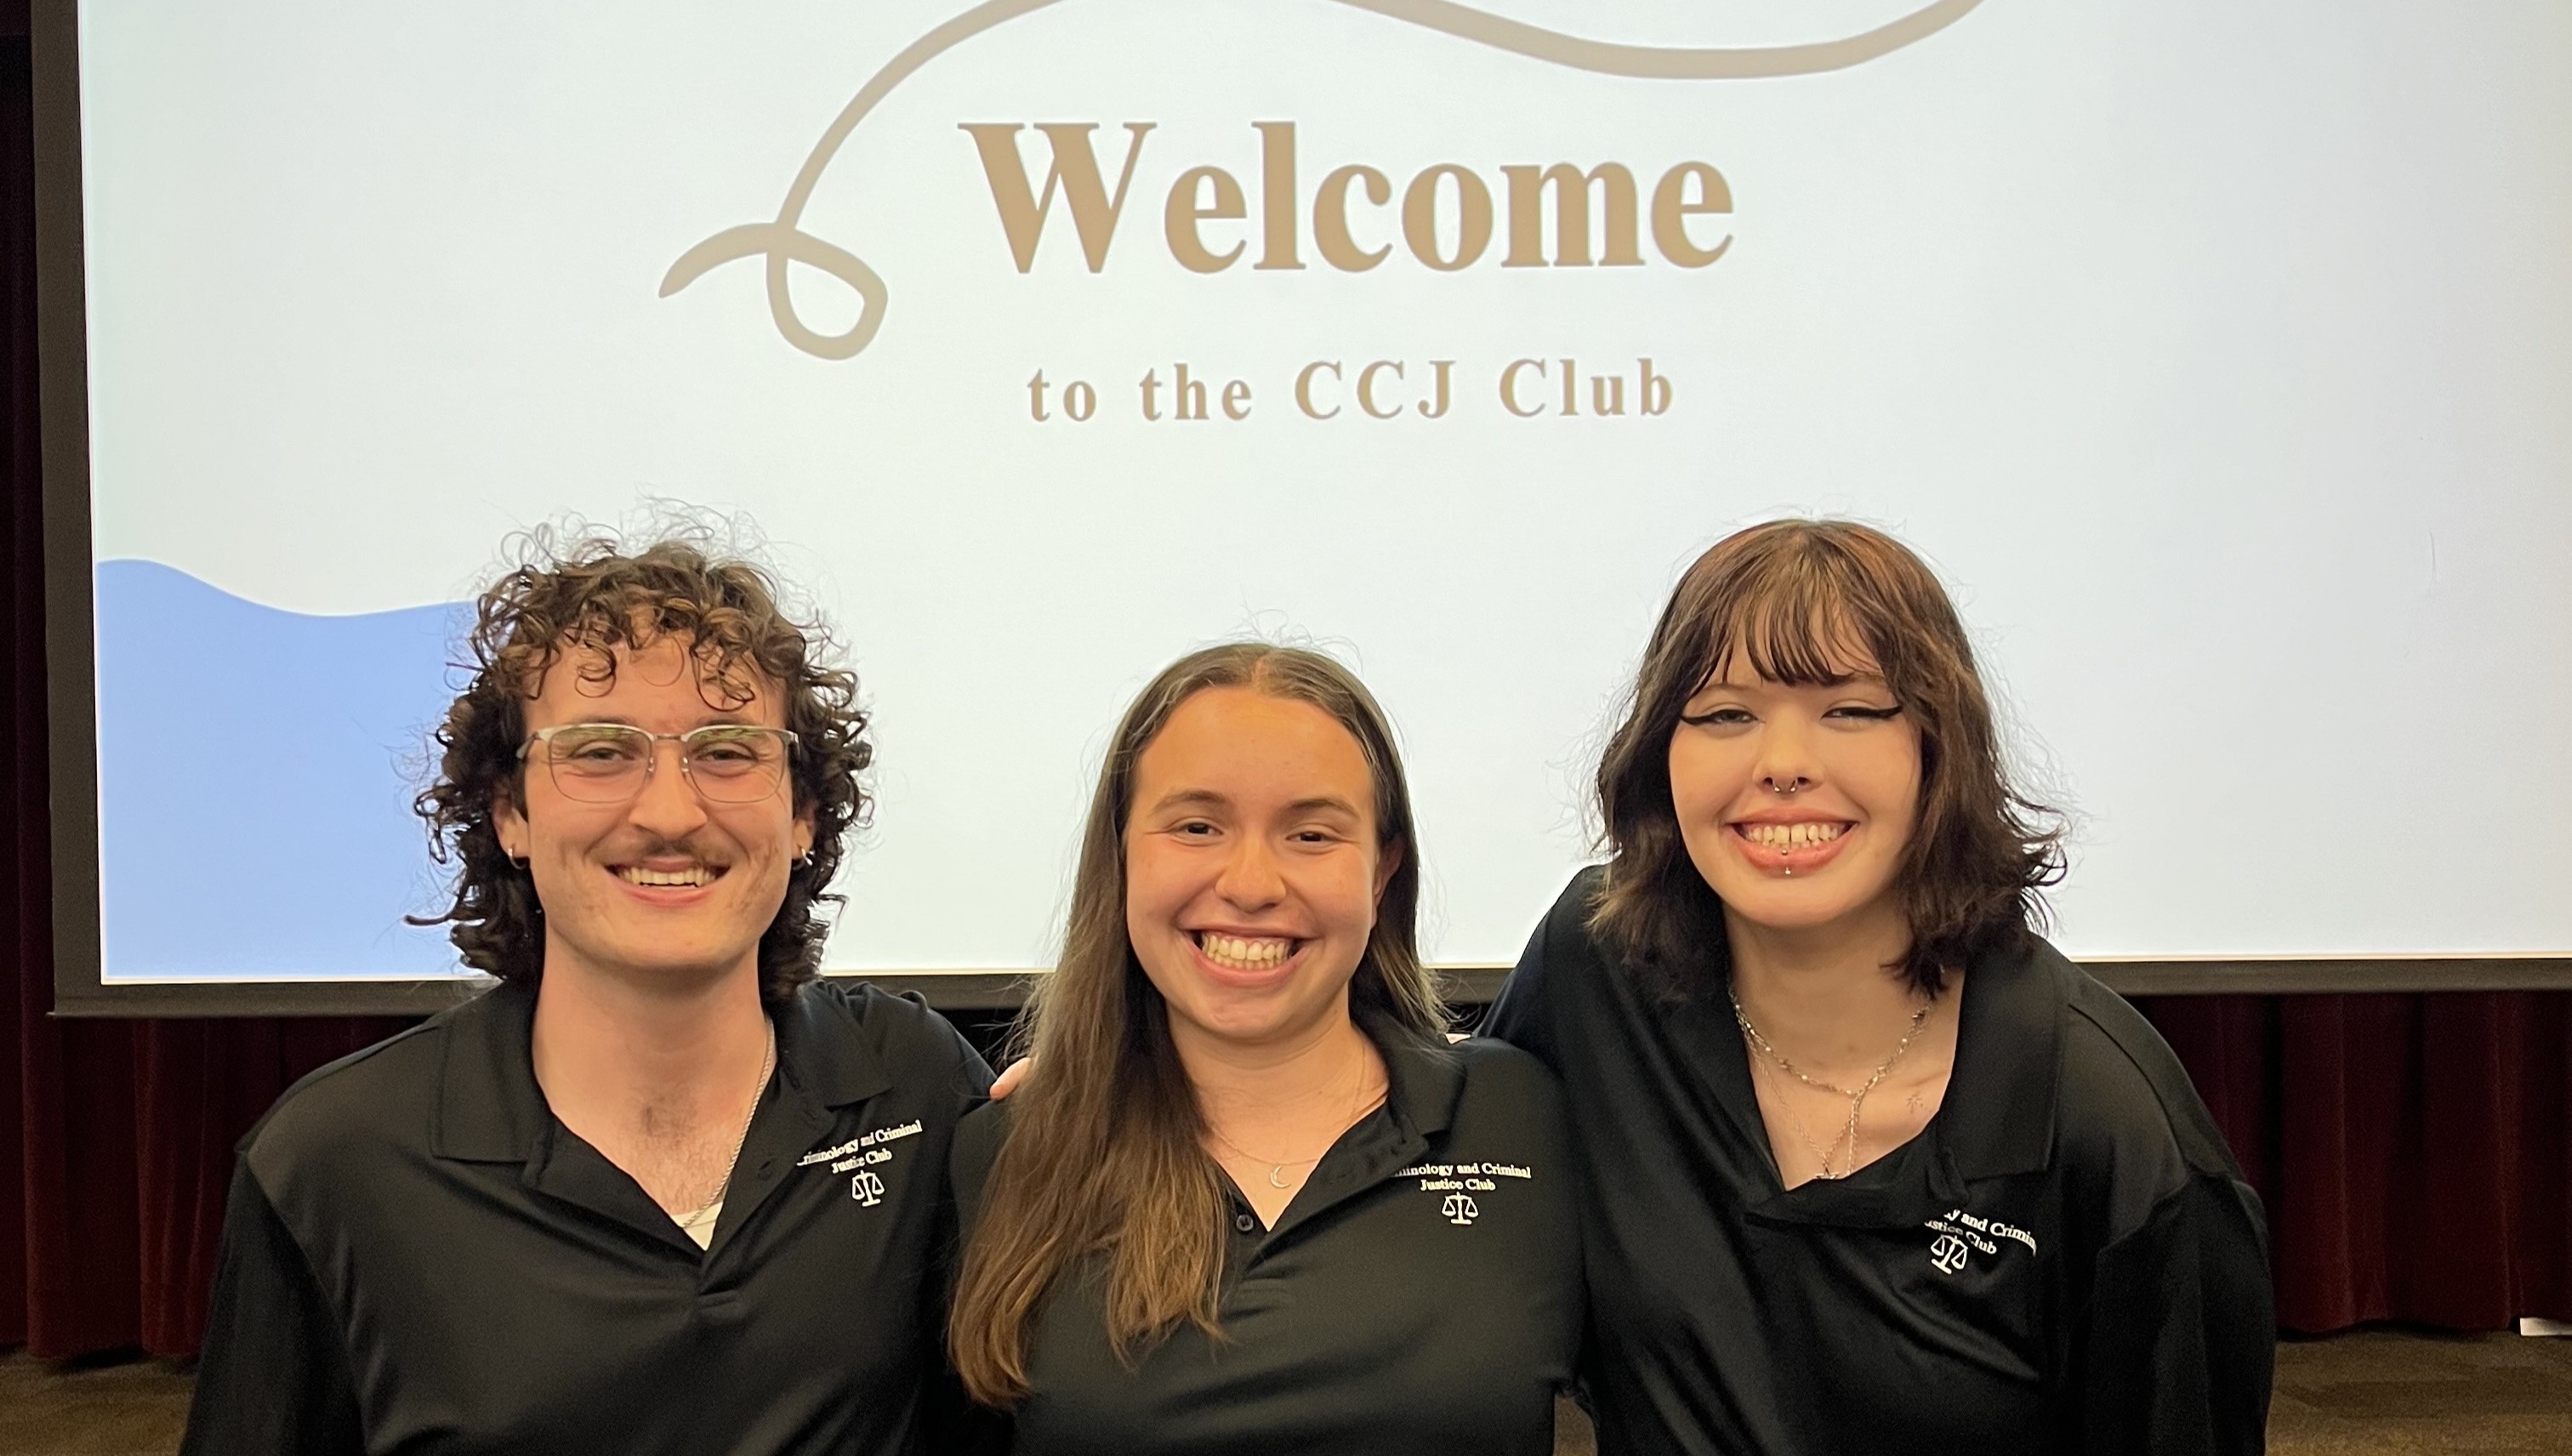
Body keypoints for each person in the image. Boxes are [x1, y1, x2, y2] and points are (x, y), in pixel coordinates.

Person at [179, 528, 992, 1456]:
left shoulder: (917, 1089)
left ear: (804, 812)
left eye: (728, 750)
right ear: (509, 812)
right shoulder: (336, 1162)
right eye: (601, 752)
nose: (670, 811)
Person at [1484, 519, 2274, 1454]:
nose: (1782, 761)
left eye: (1851, 709)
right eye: (1725, 713)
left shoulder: (2111, 1128)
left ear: (1940, 749)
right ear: (1662, 750)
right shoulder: (1598, 966)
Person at [947, 644, 1580, 1455]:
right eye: (1197, 826)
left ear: (1381, 871)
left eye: (1312, 834)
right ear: (1122, 854)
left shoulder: (1521, 1113)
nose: (1251, 883)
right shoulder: (1002, 1155)